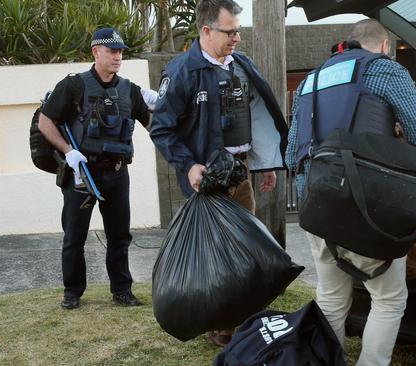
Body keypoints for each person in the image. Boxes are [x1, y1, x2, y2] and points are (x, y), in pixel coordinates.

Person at [285, 19, 416, 366]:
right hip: (365, 204)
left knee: (330, 295)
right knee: (387, 298)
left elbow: (290, 151)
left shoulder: (311, 80)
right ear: (385, 46)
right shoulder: (385, 71)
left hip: (316, 203)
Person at [149, 0, 287, 347]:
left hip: (240, 177)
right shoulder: (182, 71)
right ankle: (223, 329)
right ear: (207, 31)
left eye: (239, 30)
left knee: (246, 254)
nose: (237, 38)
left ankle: (243, 320)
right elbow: (161, 129)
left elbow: (255, 115)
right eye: (231, 31)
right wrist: (189, 164)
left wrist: (264, 163)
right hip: (207, 184)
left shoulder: (242, 66)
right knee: (220, 261)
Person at [38, 27, 151, 310]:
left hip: (117, 173)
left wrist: (165, 106)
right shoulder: (74, 85)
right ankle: (72, 292)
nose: (117, 56)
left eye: (121, 51)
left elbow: (155, 126)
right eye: (112, 51)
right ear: (95, 51)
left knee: (119, 235)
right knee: (74, 236)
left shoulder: (130, 90)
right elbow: (45, 121)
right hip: (82, 173)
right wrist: (68, 151)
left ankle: (122, 291)